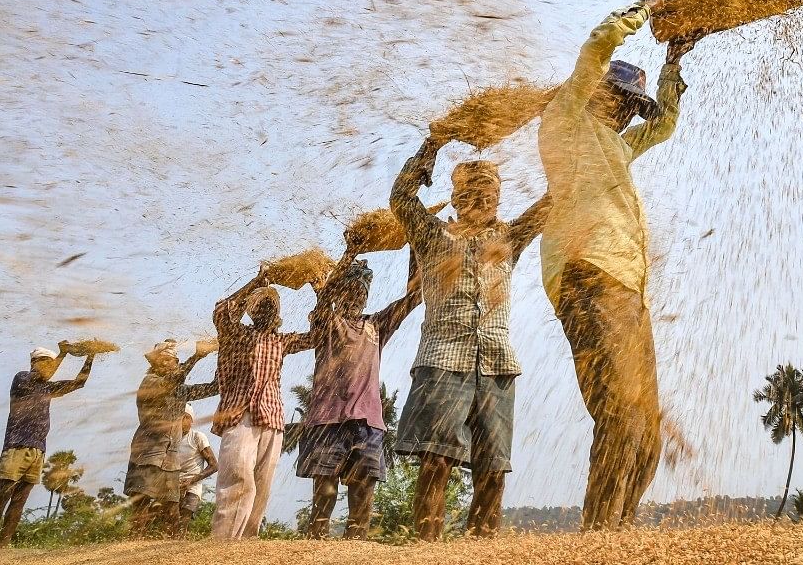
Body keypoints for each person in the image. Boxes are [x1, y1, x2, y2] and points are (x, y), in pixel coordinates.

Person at [536, 0, 698, 530]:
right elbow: (594, 49)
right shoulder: (564, 122)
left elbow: (664, 127)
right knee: (619, 409)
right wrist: (641, 12)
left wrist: (673, 63)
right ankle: (599, 535)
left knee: (645, 425)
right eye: (623, 100)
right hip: (587, 271)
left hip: (629, 285)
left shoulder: (618, 147)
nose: (630, 112)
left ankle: (619, 529)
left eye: (635, 106)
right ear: (600, 92)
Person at [389, 137, 550, 540]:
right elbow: (401, 197)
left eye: (489, 192)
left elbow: (555, 201)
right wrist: (432, 145)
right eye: (471, 192)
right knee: (437, 460)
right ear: (456, 198)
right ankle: (428, 547)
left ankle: (481, 548)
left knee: (493, 466)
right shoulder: (432, 234)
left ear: (499, 197)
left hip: (497, 362)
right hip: (444, 358)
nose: (481, 199)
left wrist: (572, 145)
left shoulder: (509, 238)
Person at [298, 250, 422, 539]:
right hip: (326, 420)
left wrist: (416, 248)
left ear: (367, 296)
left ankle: (356, 548)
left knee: (362, 490)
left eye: (360, 291)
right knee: (325, 491)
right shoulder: (326, 322)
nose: (355, 296)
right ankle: (315, 545)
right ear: (338, 292)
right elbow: (323, 297)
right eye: (348, 290)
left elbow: (413, 297)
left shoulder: (376, 325)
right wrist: (349, 253)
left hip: (367, 422)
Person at [209, 275, 316, 539]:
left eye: (271, 306)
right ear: (251, 310)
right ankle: (223, 543)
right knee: (237, 477)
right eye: (260, 305)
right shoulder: (237, 334)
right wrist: (256, 282)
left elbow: (318, 336)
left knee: (262, 483)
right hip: (239, 414)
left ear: (277, 313)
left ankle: (247, 541)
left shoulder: (282, 341)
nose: (266, 309)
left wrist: (318, 287)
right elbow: (222, 311)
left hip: (272, 417)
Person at [0, 342, 94, 550]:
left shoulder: (47, 388)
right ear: (35, 362)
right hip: (16, 447)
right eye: (47, 363)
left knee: (19, 502)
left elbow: (79, 383)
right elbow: (43, 373)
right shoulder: (22, 378)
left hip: (38, 449)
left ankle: (2, 547)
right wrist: (63, 353)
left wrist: (91, 356)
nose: (50, 368)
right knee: (2, 496)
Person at [125, 338, 219, 538]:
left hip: (170, 460)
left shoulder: (181, 390)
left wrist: (224, 354)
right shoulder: (150, 382)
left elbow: (215, 387)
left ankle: (172, 553)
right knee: (140, 508)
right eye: (161, 360)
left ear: (176, 364)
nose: (165, 364)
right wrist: (197, 356)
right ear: (154, 364)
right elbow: (172, 380)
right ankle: (131, 550)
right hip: (148, 455)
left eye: (170, 361)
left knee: (172, 512)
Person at [177, 403, 219, 530]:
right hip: (173, 487)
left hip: (192, 487)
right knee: (169, 523)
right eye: (179, 417)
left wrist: (191, 480)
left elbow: (214, 465)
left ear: (191, 420)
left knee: (182, 523)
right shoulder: (171, 438)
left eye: (186, 417)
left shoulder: (197, 437)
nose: (182, 421)